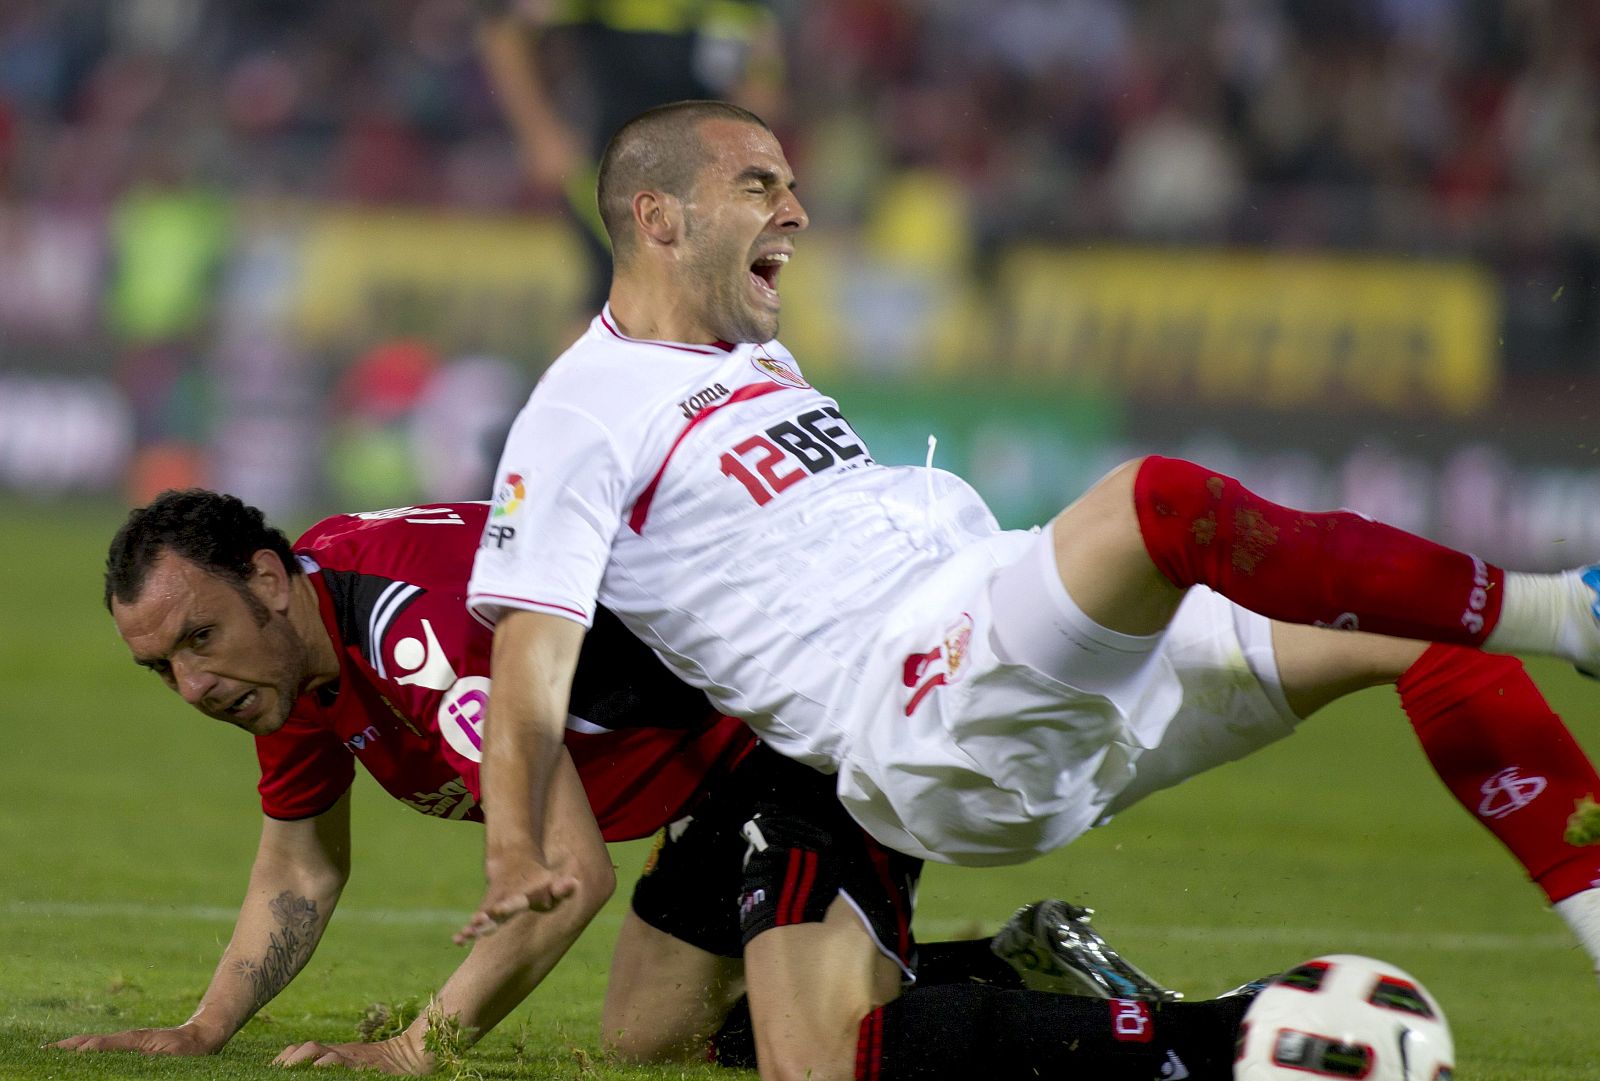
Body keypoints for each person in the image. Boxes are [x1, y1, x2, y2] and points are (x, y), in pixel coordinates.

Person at [460, 99, 1600, 1080]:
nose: (796, 212)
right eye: (759, 185)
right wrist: (516, 848)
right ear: (659, 218)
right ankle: (1569, 613)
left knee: (1420, 639)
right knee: (1151, 504)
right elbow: (529, 663)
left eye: (794, 185)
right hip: (921, 702)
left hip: (1014, 641)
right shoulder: (576, 412)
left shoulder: (749, 359)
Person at [57, 489, 1255, 1079]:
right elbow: (301, 860)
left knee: (811, 1052)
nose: (192, 684)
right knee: (649, 1034)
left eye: (198, 637)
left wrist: (417, 1046)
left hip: (802, 725)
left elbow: (565, 877)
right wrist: (206, 1029)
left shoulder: (414, 636)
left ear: (267, 578)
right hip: (717, 772)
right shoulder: (298, 659)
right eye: (162, 665)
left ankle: (1217, 1040)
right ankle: (1018, 965)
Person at [476, 0, 785, 310]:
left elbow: (762, 81)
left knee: (700, 306)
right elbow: (504, 30)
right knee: (614, 297)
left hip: (702, 182)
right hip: (612, 173)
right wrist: (539, 133)